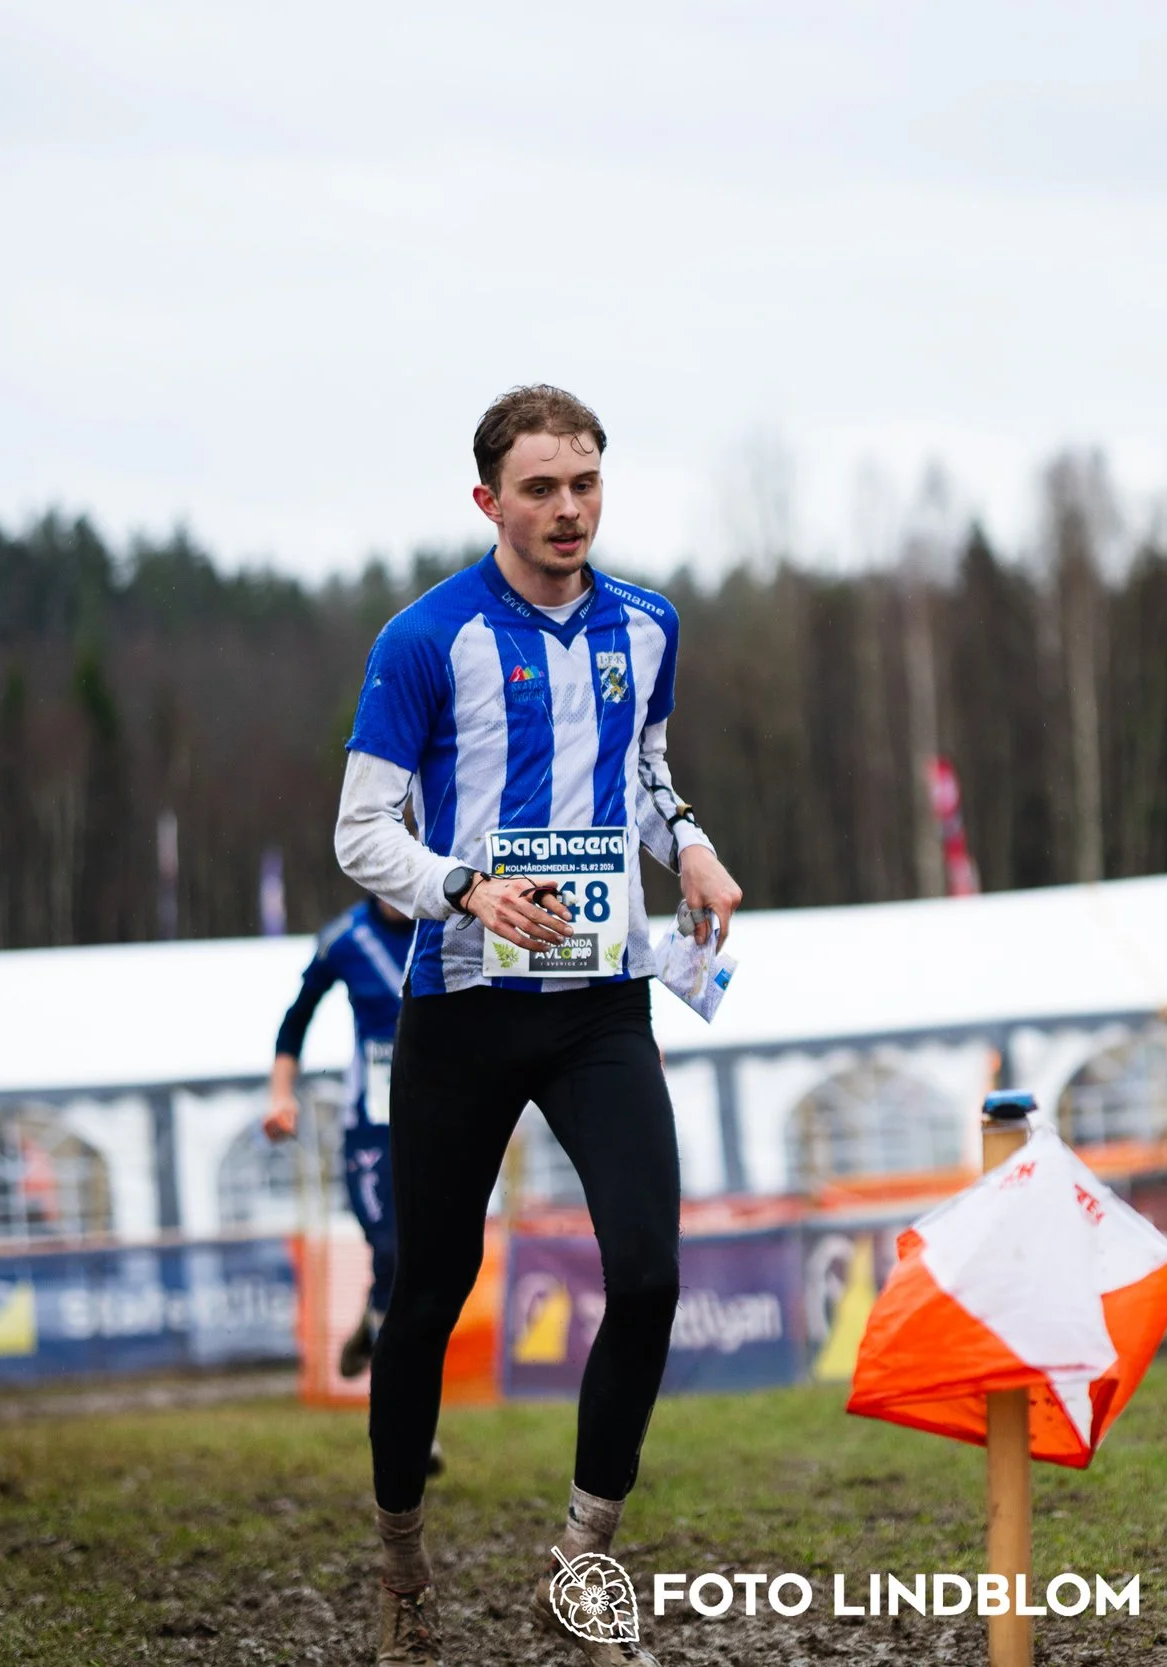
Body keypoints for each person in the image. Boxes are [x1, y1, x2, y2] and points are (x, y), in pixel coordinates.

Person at [334, 385, 743, 1666]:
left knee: (652, 1274)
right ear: (487, 501)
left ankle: (582, 1554)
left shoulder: (649, 625)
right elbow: (360, 832)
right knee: (428, 1292)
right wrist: (464, 885)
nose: (567, 510)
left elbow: (641, 774)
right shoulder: (423, 638)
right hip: (463, 1003)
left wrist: (693, 847)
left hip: (600, 1004)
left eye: (585, 486)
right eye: (540, 490)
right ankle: (400, 1557)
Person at [265, 895, 417, 1382]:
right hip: (371, 1125)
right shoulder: (344, 938)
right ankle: (413, 1423)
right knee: (391, 1249)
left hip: (439, 1118)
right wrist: (281, 1096)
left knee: (428, 1261)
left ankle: (376, 1330)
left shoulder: (448, 921)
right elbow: (296, 1019)